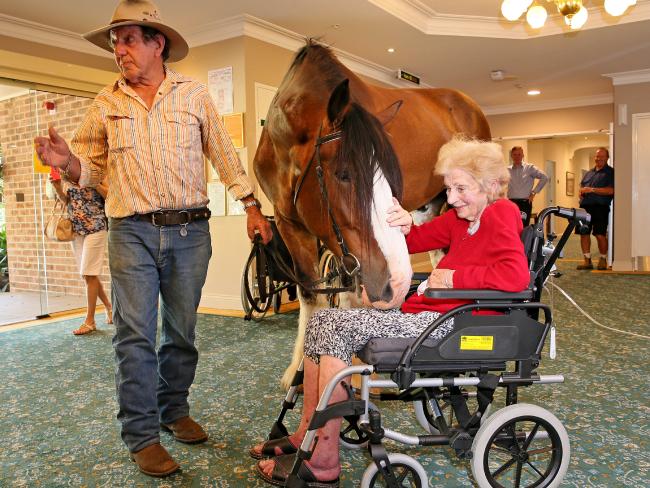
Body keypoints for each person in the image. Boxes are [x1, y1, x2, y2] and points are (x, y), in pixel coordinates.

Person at [34, 0, 272, 478]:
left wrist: (250, 205)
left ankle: (173, 410)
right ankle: (141, 435)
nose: (118, 50)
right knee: (134, 335)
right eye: (114, 42)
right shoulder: (106, 102)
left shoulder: (195, 95)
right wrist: (65, 162)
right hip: (130, 233)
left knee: (181, 333)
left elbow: (223, 154)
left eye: (127, 39)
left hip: (190, 232)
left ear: (156, 43)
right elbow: (91, 171)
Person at [251, 136, 530, 486]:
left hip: (455, 325)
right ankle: (307, 434)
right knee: (321, 320)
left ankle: (323, 460)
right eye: (448, 188)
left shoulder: (500, 212)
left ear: (491, 186)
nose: (452, 198)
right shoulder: (460, 219)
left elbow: (516, 276)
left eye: (461, 188)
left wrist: (455, 277)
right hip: (428, 317)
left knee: (335, 328)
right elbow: (412, 241)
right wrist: (402, 221)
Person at [50, 168, 112, 335]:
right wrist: (57, 187)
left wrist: (95, 183)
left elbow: (110, 196)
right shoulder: (67, 177)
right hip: (76, 231)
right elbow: (66, 202)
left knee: (89, 274)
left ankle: (90, 321)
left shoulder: (98, 173)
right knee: (87, 274)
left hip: (97, 228)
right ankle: (108, 306)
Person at [576, 147, 614, 270]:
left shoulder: (611, 172)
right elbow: (582, 187)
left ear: (607, 158)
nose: (599, 159)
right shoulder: (589, 173)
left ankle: (603, 259)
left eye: (602, 157)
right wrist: (581, 194)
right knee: (584, 233)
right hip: (585, 208)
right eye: (597, 156)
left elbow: (611, 191)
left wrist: (592, 190)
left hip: (600, 208)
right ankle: (587, 261)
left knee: (600, 234)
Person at [507, 146, 548, 226]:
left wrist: (534, 192)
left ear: (523, 155)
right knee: (511, 226)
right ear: (511, 156)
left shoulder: (530, 168)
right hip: (511, 202)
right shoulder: (507, 170)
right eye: (514, 154)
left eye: (519, 154)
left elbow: (544, 177)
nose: (517, 157)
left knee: (523, 226)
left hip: (525, 203)